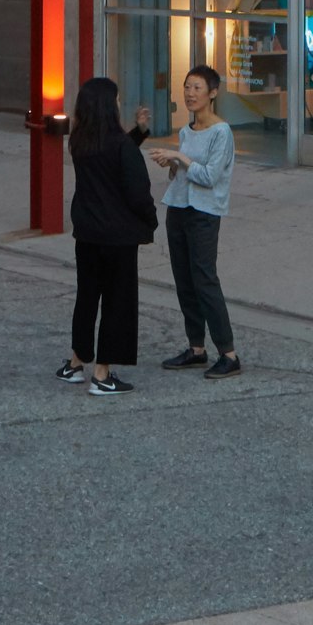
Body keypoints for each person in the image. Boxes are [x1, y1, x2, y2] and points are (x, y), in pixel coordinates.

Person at [60, 76, 155, 393]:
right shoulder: (120, 147)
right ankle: (102, 374)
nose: (118, 104)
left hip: (87, 234)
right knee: (118, 302)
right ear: (107, 106)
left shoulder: (80, 141)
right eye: (115, 100)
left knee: (87, 297)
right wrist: (150, 220)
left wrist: (138, 133)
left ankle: (76, 362)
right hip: (117, 237)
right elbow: (137, 192)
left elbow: (110, 156)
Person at [148, 62, 241, 377]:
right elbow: (185, 174)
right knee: (184, 280)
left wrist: (181, 158)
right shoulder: (186, 131)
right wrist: (172, 165)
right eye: (187, 87)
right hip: (179, 207)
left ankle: (228, 353)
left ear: (213, 93)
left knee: (204, 280)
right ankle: (196, 348)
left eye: (197, 88)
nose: (189, 93)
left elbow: (209, 177)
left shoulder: (221, 132)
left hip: (204, 212)